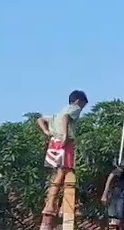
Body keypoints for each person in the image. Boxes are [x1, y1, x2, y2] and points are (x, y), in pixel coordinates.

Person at [37, 89, 88, 218]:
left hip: (54, 142)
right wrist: (65, 134)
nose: (82, 109)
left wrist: (46, 132)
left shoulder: (59, 112)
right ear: (77, 101)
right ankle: (59, 205)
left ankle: (52, 204)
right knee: (65, 172)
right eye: (83, 105)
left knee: (59, 173)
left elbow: (40, 119)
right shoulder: (73, 109)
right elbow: (66, 118)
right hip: (64, 142)